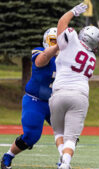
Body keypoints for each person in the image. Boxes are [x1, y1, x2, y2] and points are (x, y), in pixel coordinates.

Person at [48, 3, 99, 169]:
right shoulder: (92, 58)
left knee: (59, 132)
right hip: (79, 95)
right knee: (71, 137)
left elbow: (61, 24)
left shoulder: (71, 39)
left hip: (59, 92)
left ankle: (63, 161)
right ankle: (65, 164)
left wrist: (73, 11)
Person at [1, 27, 60, 169]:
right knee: (31, 136)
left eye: (59, 41)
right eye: (53, 41)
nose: (56, 44)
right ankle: (8, 156)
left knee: (69, 133)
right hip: (36, 101)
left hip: (56, 102)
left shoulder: (67, 59)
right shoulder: (39, 51)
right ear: (46, 41)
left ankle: (64, 161)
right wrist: (59, 45)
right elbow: (41, 61)